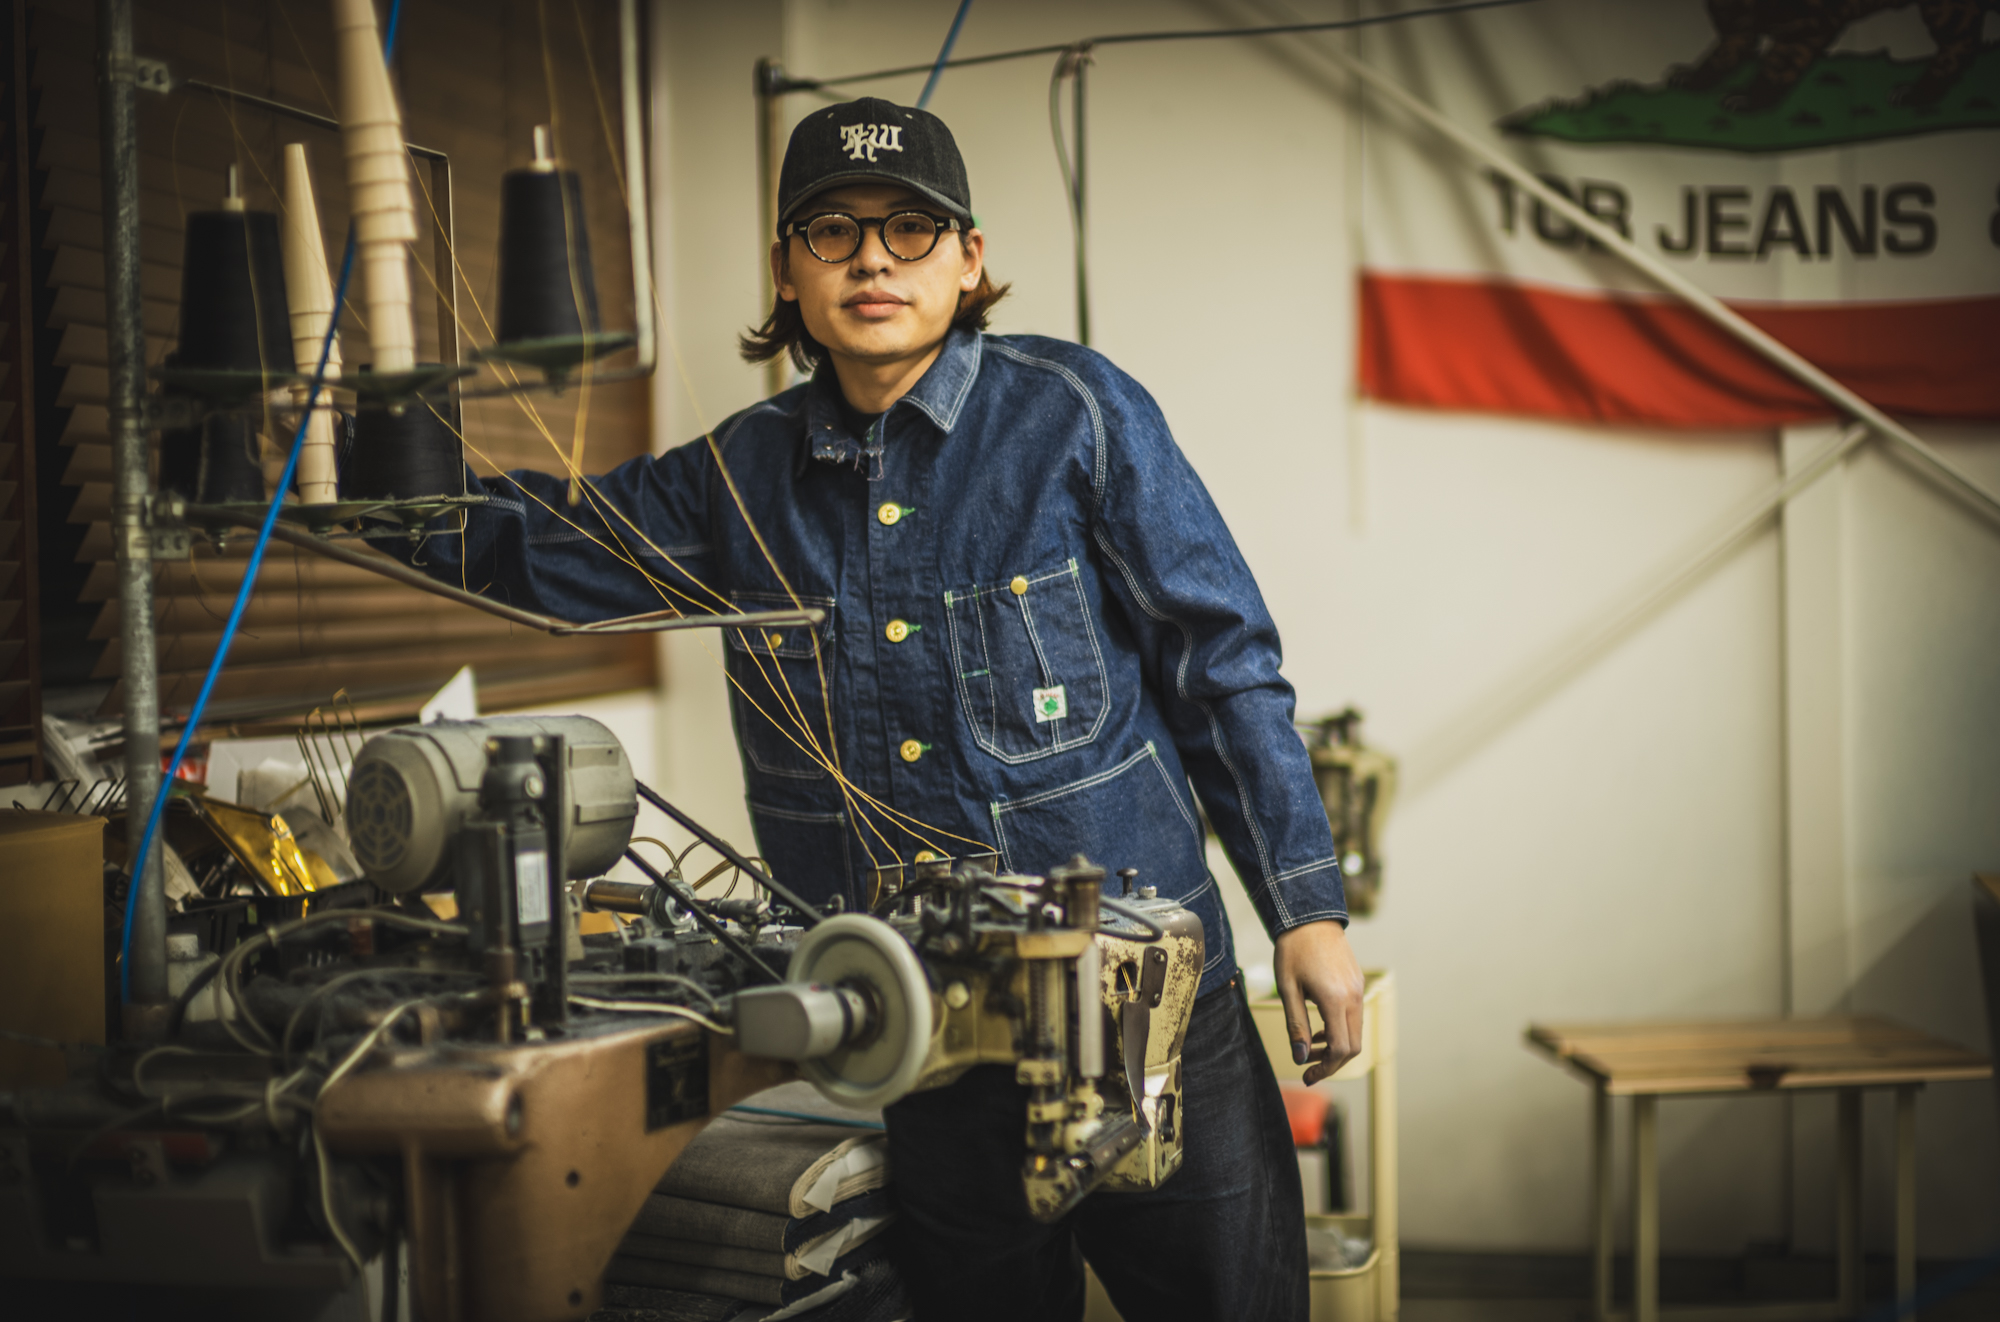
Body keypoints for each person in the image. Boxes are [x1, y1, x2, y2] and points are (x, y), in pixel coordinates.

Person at [416, 97, 1364, 1322]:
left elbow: (1219, 664)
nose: (871, 258)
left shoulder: (1074, 414)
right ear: (786, 270)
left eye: (909, 227)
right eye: (833, 230)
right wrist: (356, 478)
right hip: (925, 1036)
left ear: (968, 259)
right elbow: (540, 545)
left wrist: (1304, 910)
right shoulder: (736, 477)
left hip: (1144, 1013)